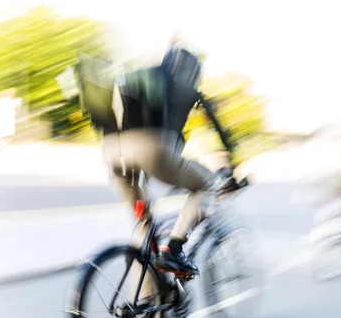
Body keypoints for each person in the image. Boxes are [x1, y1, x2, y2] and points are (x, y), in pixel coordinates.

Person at [81, 38, 236, 276]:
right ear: (192, 70)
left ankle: (141, 305)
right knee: (207, 184)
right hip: (151, 149)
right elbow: (219, 132)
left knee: (145, 225)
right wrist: (232, 167)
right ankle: (174, 249)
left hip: (112, 151)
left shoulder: (147, 82)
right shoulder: (190, 90)